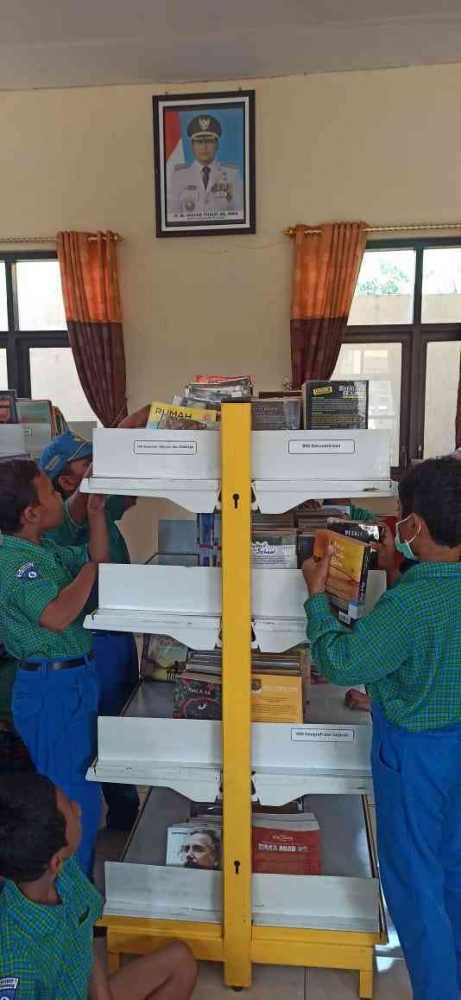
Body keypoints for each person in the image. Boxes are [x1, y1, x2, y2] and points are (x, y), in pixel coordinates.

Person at [302, 457, 461, 1000]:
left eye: (401, 515)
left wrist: (316, 600)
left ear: (415, 525)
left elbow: (343, 662)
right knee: (454, 869)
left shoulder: (410, 604)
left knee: (415, 882)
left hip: (416, 757)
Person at [0, 458, 110, 876]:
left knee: (83, 785)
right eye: (50, 492)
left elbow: (97, 560)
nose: (59, 496)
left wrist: (95, 513)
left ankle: (79, 879)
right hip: (52, 689)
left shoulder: (40, 550)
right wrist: (88, 571)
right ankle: (72, 886)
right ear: (30, 513)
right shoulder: (15, 563)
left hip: (72, 679)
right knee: (71, 798)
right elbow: (57, 615)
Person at [0, 773, 198, 1000]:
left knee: (181, 961)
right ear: (55, 861)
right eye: (71, 810)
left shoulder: (65, 871)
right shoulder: (13, 958)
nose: (78, 809)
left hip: (78, 992)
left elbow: (83, 938)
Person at [40, 423, 148, 831]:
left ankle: (124, 811)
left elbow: (126, 490)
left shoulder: (98, 505)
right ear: (66, 482)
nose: (99, 466)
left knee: (121, 719)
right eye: (87, 462)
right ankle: (110, 815)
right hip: (93, 638)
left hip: (117, 632)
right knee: (102, 727)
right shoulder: (69, 519)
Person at [169, 115, 243, 217]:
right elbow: (173, 216)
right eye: (199, 142)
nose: (204, 147)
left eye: (209, 141)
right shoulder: (179, 176)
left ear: (217, 145)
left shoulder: (232, 175)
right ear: (192, 146)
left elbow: (240, 213)